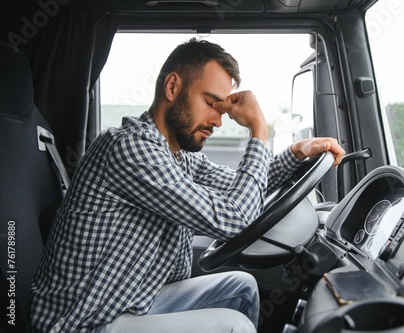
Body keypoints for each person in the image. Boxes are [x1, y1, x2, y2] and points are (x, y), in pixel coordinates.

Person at [30, 38, 345, 333]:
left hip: (128, 303)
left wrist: (297, 152)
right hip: (83, 322)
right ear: (172, 86)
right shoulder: (131, 149)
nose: (218, 121)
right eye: (211, 103)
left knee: (242, 289)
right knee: (234, 326)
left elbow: (242, 186)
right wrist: (258, 129)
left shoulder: (176, 156)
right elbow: (234, 218)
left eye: (221, 109)